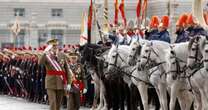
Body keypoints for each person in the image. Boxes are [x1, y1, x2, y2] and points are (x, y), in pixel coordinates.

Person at [39, 39, 72, 110]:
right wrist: (44, 52)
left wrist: (69, 83)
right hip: (50, 83)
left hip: (61, 82)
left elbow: (67, 69)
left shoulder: (62, 55)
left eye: (56, 45)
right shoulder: (47, 55)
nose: (55, 47)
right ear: (50, 47)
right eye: (53, 45)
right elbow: (40, 63)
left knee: (58, 104)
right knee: (53, 102)